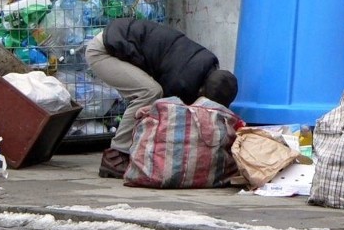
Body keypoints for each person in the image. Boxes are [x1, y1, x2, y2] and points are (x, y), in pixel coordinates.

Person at [85, 18, 238, 178]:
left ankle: (130, 150)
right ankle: (115, 155)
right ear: (203, 92)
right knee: (149, 92)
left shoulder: (205, 65)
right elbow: (169, 116)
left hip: (121, 41)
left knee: (151, 94)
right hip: (104, 50)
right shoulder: (182, 80)